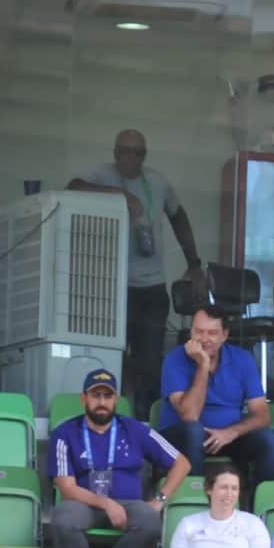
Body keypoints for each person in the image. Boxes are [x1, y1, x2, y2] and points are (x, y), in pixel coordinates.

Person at [69, 129, 203, 412]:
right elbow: (73, 187)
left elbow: (179, 218)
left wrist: (194, 263)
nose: (131, 157)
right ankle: (110, 415)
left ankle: (146, 419)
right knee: (111, 357)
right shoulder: (102, 175)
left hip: (152, 287)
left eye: (137, 152)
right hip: (113, 287)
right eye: (125, 151)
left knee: (151, 361)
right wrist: (119, 194)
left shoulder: (157, 181)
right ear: (115, 153)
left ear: (144, 156)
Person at [48, 368, 192, 548]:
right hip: (85, 505)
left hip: (129, 504)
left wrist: (160, 500)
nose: (101, 402)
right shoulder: (64, 433)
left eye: (107, 396)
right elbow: (67, 488)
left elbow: (181, 463)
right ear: (84, 399)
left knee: (150, 522)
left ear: (115, 399)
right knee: (63, 519)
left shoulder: (135, 429)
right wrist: (107, 504)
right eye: (95, 395)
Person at [158, 305, 274, 486]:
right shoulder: (175, 359)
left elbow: (263, 415)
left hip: (227, 438)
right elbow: (190, 416)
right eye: (199, 332)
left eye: (212, 333)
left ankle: (260, 507)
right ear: (191, 332)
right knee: (194, 431)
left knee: (269, 439)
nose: (204, 339)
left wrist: (230, 433)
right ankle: (194, 499)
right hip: (182, 437)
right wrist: (203, 365)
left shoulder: (242, 359)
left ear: (224, 335)